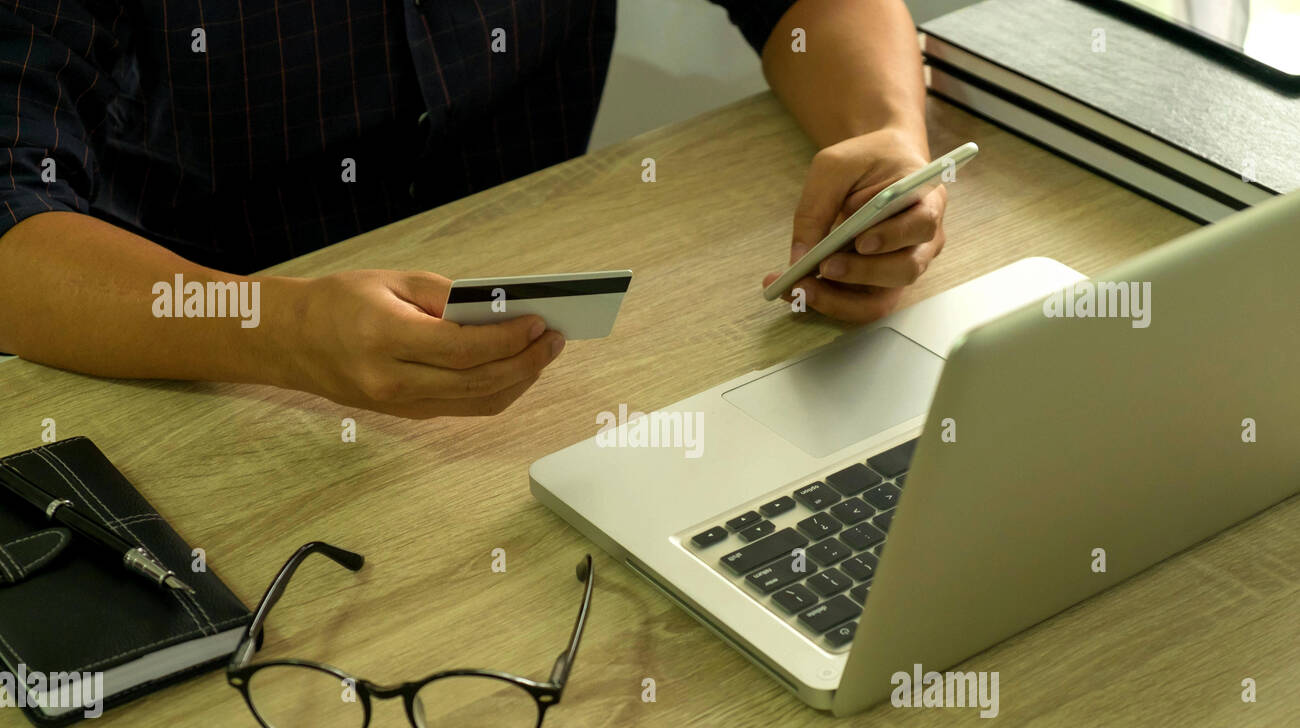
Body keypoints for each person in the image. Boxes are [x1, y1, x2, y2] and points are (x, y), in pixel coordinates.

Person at [0, 0, 947, 419]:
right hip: (198, 388)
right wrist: (277, 329)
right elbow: (13, 224)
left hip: (553, 393)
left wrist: (890, 141)